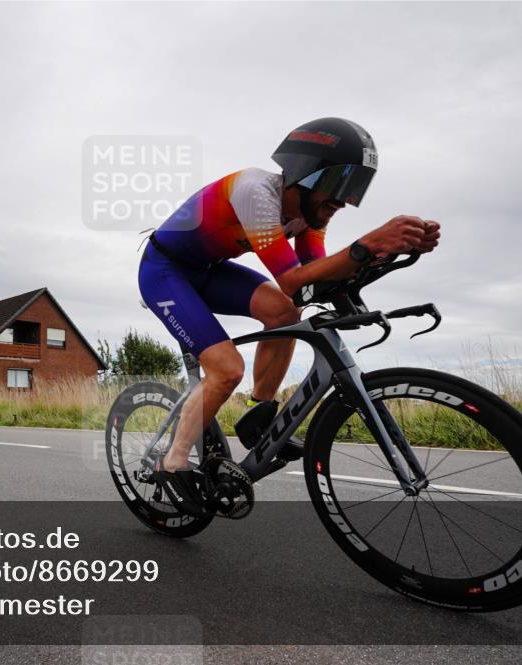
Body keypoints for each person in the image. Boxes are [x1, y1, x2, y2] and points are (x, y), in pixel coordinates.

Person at [138, 117, 441, 511]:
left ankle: (258, 415)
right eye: (337, 186)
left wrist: (381, 253)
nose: (343, 201)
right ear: (303, 173)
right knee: (226, 368)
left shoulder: (312, 213)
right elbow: (293, 278)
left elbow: (316, 277)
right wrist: (366, 243)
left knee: (286, 313)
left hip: (208, 271)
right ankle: (172, 461)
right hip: (165, 272)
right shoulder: (254, 191)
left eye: (353, 190)